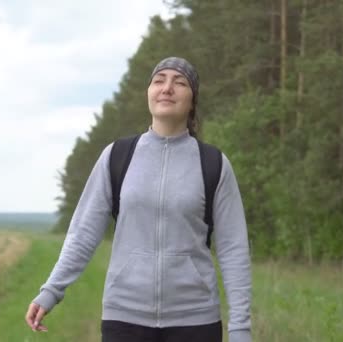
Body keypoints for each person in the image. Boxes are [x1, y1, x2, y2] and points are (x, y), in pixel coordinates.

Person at [25, 57, 252, 342]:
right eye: (159, 81)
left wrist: (240, 328)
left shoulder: (214, 164)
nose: (167, 88)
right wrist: (51, 291)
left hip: (195, 322)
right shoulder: (117, 156)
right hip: (124, 319)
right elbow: (83, 233)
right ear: (149, 93)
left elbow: (234, 249)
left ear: (192, 100)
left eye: (179, 82)